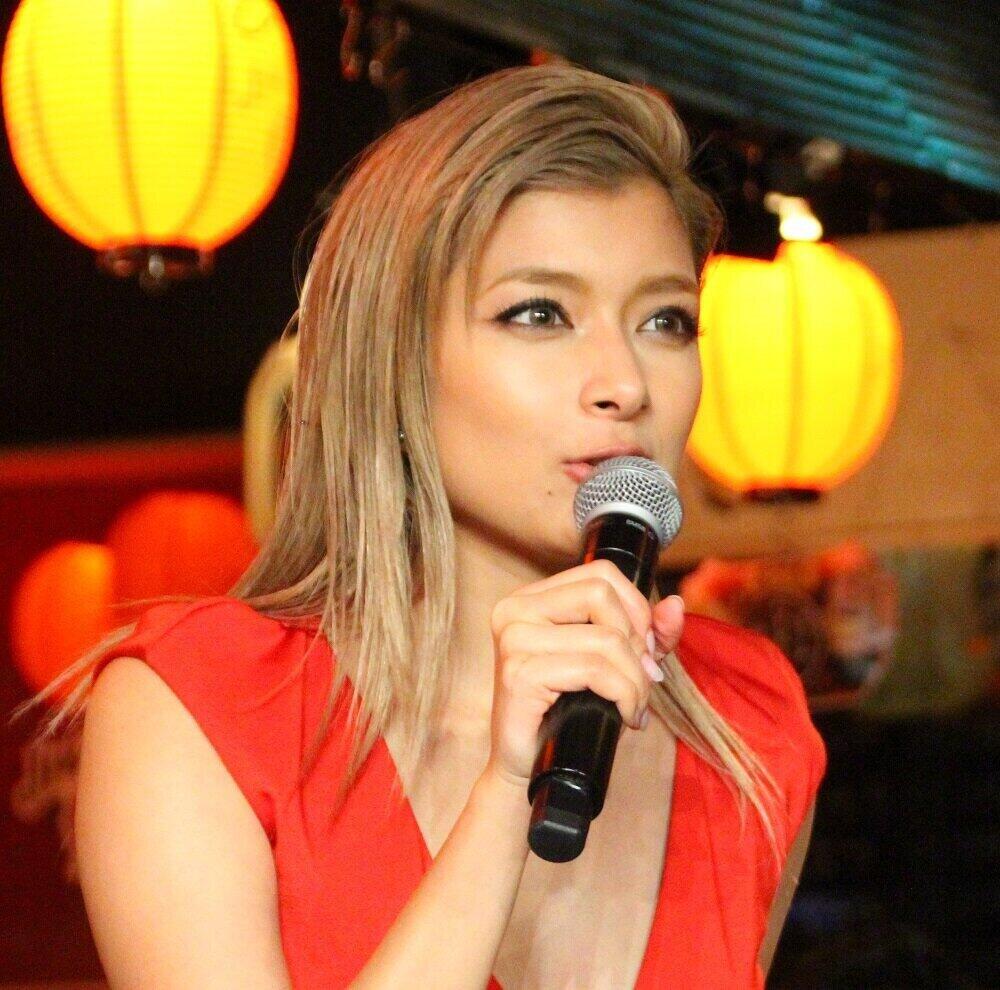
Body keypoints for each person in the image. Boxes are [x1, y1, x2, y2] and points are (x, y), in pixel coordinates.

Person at [16, 63, 826, 987]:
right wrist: (505, 796)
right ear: (393, 358)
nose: (626, 383)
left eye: (666, 321)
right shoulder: (204, 708)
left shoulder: (749, 725)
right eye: (539, 313)